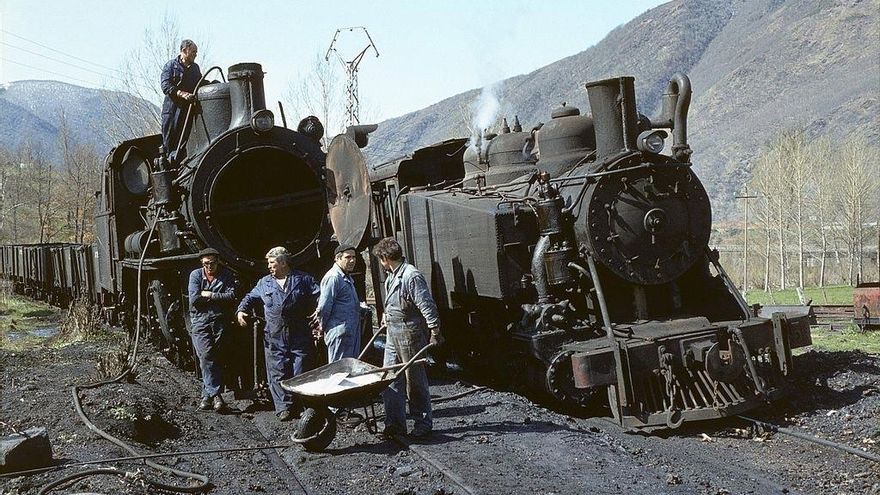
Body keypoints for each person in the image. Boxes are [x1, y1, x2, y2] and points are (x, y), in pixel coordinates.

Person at [236, 247, 319, 421]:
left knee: (301, 368)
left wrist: (320, 311)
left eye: (272, 263)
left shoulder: (303, 279)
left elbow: (320, 295)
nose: (269, 266)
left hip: (299, 332)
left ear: (282, 263)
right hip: (274, 334)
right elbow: (250, 297)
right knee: (277, 370)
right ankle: (283, 407)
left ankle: (303, 406)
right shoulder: (264, 283)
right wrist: (241, 311)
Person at [372, 237, 444, 438]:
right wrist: (387, 314)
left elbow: (426, 305)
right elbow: (395, 301)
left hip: (409, 333)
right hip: (393, 333)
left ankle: (423, 423)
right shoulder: (392, 276)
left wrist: (435, 330)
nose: (380, 262)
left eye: (380, 259)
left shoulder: (411, 276)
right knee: (389, 377)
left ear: (385, 258)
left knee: (414, 380)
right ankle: (394, 424)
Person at [187, 248, 238, 413]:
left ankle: (206, 397)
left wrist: (208, 294)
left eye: (213, 263)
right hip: (200, 321)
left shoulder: (226, 275)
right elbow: (195, 299)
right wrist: (218, 296)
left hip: (219, 321)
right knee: (207, 354)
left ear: (218, 261)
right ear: (202, 263)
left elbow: (231, 296)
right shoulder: (195, 275)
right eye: (206, 263)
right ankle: (217, 395)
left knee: (213, 358)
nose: (210, 266)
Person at [315, 245, 362, 363]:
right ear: (338, 258)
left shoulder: (346, 277)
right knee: (339, 370)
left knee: (350, 368)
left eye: (354, 257)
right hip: (339, 332)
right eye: (348, 257)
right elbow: (324, 307)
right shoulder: (333, 277)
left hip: (350, 331)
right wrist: (322, 327)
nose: (352, 260)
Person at [160, 39, 201, 161]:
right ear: (184, 51)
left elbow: (199, 83)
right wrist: (182, 94)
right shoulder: (170, 66)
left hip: (186, 112)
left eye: (196, 52)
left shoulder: (195, 68)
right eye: (193, 52)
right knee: (169, 141)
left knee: (184, 142)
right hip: (171, 111)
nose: (195, 54)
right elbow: (165, 86)